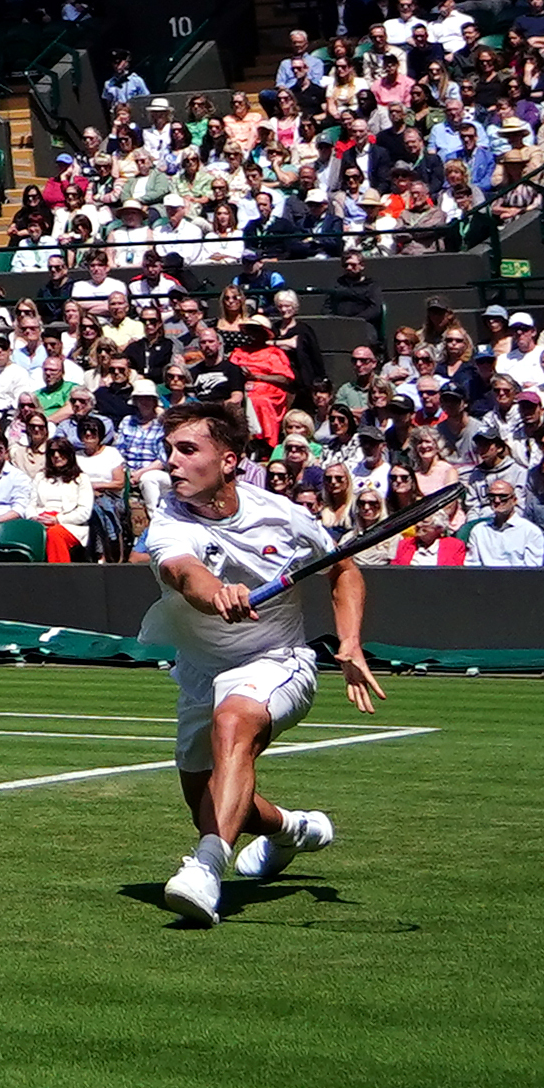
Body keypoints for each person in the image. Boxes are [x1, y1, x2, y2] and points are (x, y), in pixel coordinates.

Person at [134, 394, 379, 926]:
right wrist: (217, 593)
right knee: (208, 795)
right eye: (168, 449)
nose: (171, 461)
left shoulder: (285, 517)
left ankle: (205, 868)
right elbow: (183, 574)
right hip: (200, 672)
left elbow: (344, 570)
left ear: (228, 461)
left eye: (186, 449)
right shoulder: (169, 519)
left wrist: (350, 643)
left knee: (233, 722)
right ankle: (292, 829)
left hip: (277, 659)